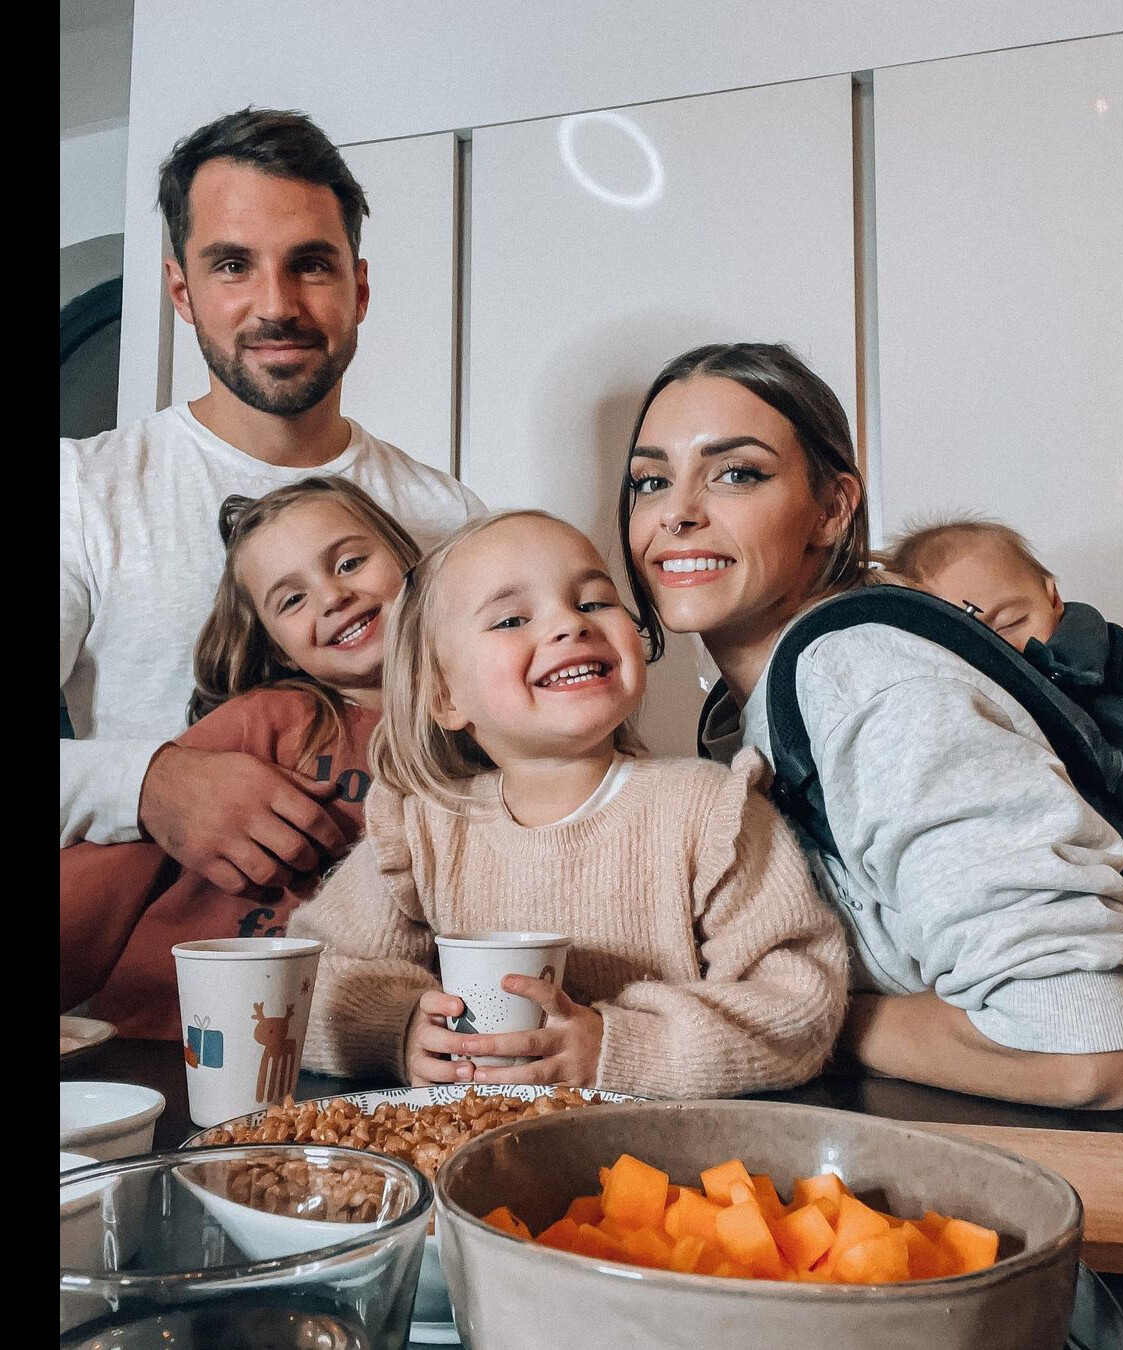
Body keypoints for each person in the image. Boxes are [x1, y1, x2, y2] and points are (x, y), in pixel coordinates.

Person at [617, 341, 1123, 1110]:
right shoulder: (746, 715)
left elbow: (1085, 1050)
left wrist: (793, 1019)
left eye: (736, 473)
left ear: (832, 508)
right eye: (651, 480)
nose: (678, 512)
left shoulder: (865, 680)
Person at [60, 107, 485, 898]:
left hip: (418, 996)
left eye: (312, 264)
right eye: (232, 266)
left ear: (359, 288)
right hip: (158, 1005)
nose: (276, 303)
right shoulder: (82, 490)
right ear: (181, 292)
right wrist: (152, 785)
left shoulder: (452, 516)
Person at [286, 510, 849, 1098]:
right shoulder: (423, 827)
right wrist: (398, 1031)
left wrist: (616, 1044)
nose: (568, 626)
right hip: (466, 1161)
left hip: (661, 1166)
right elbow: (306, 979)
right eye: (511, 618)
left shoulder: (711, 812)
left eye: (593, 602)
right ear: (446, 697)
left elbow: (800, 1004)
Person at [60, 477, 421, 1039]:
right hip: (173, 1040)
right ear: (277, 646)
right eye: (293, 599)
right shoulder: (263, 722)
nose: (332, 597)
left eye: (350, 563)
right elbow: (114, 869)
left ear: (407, 559)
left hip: (369, 1042)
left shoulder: (484, 734)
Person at [880, 515, 1123, 795]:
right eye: (970, 643)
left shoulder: (1108, 658)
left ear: (1052, 597)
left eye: (1011, 622)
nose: (1003, 649)